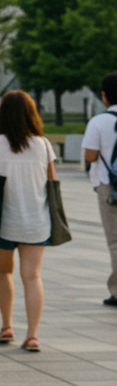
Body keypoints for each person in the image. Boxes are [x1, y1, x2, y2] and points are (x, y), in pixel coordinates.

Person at [0, 90, 57, 352]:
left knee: (3, 272)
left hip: (3, 220)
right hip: (36, 220)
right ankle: (32, 335)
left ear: (2, 115)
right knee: (32, 276)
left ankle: (6, 326)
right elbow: (52, 179)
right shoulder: (44, 144)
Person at [82, 72, 117, 308]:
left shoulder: (98, 122)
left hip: (109, 188)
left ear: (104, 96)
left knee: (115, 241)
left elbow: (90, 155)